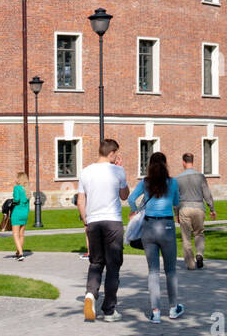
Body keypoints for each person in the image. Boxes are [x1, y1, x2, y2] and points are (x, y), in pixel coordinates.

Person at [78, 138, 130, 322]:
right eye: (115, 154)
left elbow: (80, 200)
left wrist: (86, 221)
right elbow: (124, 196)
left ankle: (90, 294)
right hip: (112, 221)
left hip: (93, 222)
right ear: (111, 153)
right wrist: (121, 172)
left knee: (96, 262)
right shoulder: (117, 170)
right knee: (113, 266)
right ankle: (109, 310)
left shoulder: (85, 172)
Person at [129, 152, 184, 323]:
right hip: (167, 227)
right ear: (165, 164)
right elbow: (176, 202)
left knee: (153, 271)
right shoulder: (172, 182)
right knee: (170, 270)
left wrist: (135, 210)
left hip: (149, 227)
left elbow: (131, 198)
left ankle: (156, 311)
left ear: (150, 165)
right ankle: (174, 308)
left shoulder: (145, 182)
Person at [175, 152, 216, 270]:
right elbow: (207, 194)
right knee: (199, 233)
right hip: (198, 208)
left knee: (186, 237)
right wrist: (212, 208)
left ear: (183, 162)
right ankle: (199, 254)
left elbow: (176, 198)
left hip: (184, 208)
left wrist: (176, 213)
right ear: (192, 161)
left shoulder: (177, 179)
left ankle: (190, 264)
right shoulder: (200, 176)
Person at [10, 171, 31, 260]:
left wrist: (11, 201)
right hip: (25, 213)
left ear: (19, 179)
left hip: (17, 212)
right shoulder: (27, 190)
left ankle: (21, 253)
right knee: (21, 234)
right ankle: (18, 252)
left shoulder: (17, 188)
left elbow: (17, 199)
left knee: (15, 234)